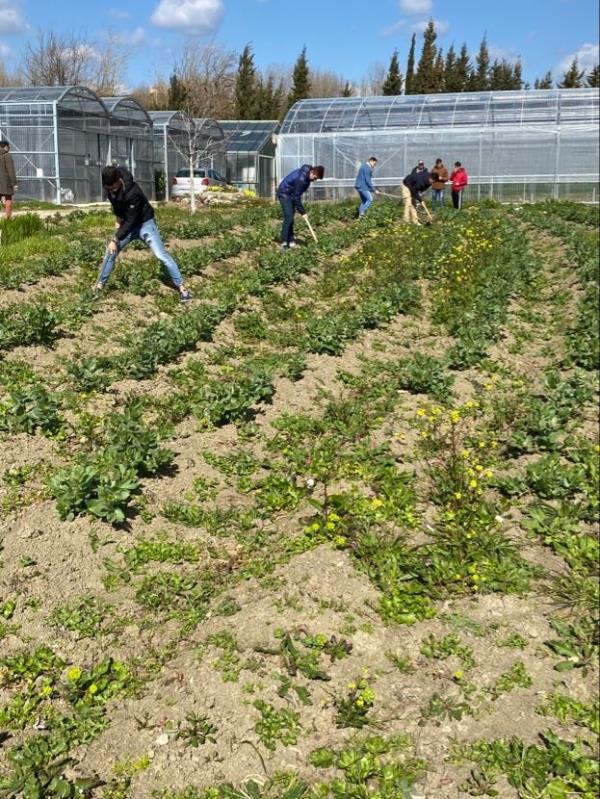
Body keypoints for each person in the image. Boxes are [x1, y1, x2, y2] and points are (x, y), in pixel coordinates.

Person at [95, 166, 191, 301]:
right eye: (108, 188)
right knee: (110, 252)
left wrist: (116, 238)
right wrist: (117, 219)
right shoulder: (110, 186)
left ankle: (182, 288)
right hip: (127, 223)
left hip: (144, 224)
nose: (111, 191)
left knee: (161, 255)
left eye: (113, 188)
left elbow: (130, 221)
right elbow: (116, 205)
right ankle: (99, 286)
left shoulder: (134, 193)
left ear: (119, 181)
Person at [276, 164, 325, 249]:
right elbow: (296, 197)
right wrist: (303, 212)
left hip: (291, 194)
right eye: (315, 178)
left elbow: (296, 195)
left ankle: (290, 240)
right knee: (289, 217)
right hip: (284, 193)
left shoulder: (306, 175)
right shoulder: (301, 179)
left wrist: (300, 210)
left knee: (291, 217)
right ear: (312, 172)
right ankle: (284, 242)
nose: (315, 180)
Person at [0, 140, 18, 219]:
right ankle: (8, 218)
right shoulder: (7, 156)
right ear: (6, 147)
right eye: (9, 147)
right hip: (5, 182)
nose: (9, 148)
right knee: (8, 198)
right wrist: (14, 183)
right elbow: (11, 170)